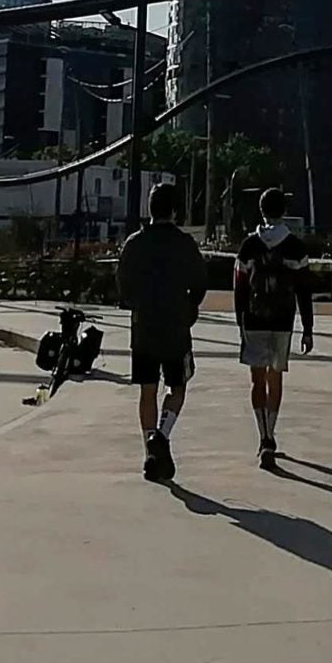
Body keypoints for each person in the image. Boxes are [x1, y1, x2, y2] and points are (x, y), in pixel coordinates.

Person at [117, 183, 208, 482]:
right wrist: (188, 307)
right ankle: (163, 435)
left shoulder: (134, 243)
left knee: (147, 390)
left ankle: (149, 451)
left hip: (143, 326)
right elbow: (199, 284)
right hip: (175, 327)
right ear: (174, 210)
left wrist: (139, 304)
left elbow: (124, 289)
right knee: (177, 387)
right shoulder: (185, 244)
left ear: (150, 209)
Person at [233, 187, 314, 469]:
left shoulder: (249, 245)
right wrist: (308, 326)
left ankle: (262, 434)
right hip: (282, 319)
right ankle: (272, 433)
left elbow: (239, 286)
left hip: (254, 320)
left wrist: (239, 319)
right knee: (275, 378)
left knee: (257, 380)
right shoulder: (295, 246)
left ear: (262, 210)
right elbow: (304, 289)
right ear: (284, 212)